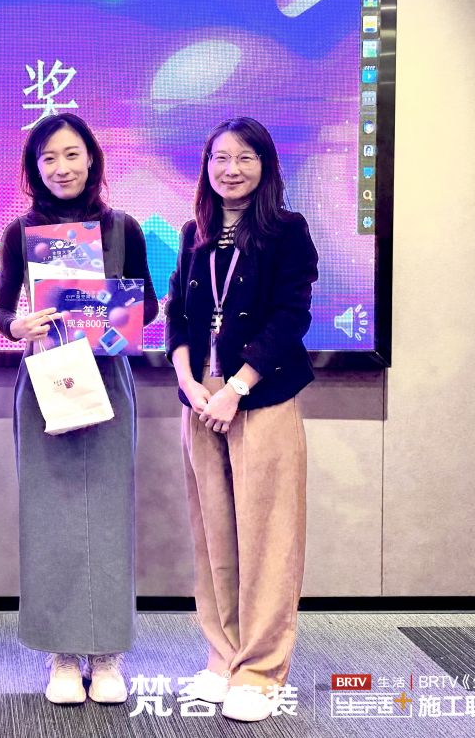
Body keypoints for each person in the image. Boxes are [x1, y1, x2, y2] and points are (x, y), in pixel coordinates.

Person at [0, 113, 157, 706]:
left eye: (71, 154)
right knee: (50, 515)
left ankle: (107, 652)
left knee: (108, 514)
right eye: (48, 158)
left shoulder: (124, 228)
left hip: (107, 377)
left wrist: (110, 310)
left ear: (91, 159)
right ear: (34, 168)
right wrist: (18, 325)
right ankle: (62, 653)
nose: (61, 168)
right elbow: (1, 312)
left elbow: (149, 307)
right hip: (45, 379)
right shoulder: (20, 232)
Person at [164, 117, 318, 722]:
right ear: (206, 166)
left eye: (244, 158)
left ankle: (261, 670)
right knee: (213, 535)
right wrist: (187, 381)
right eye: (220, 158)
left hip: (260, 395)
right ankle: (223, 656)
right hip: (201, 399)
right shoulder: (194, 233)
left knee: (268, 537)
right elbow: (178, 313)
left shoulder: (286, 230)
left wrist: (236, 386)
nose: (230, 169)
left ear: (265, 164)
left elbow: (291, 318)